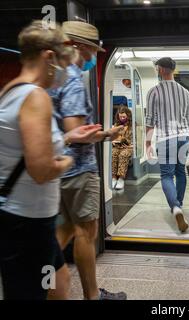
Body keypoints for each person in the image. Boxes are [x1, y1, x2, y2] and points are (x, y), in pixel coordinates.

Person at [0, 21, 102, 300]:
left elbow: (30, 148)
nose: (64, 72)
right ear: (48, 57)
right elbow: (42, 171)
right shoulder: (36, 97)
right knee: (31, 291)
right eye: (62, 62)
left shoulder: (10, 90)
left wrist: (68, 138)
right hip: (27, 220)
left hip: (29, 214)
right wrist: (67, 162)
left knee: (59, 283)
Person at [47, 21, 126, 300]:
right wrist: (108, 134)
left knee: (66, 227)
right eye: (92, 52)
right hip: (78, 169)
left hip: (59, 167)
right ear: (78, 47)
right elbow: (76, 132)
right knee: (86, 231)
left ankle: (43, 280)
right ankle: (93, 296)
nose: (94, 58)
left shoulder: (52, 75)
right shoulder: (71, 79)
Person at [145, 57, 189, 233]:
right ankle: (179, 205)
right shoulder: (186, 92)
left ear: (160, 70)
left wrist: (147, 144)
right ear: (173, 70)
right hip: (184, 138)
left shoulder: (154, 92)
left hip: (165, 139)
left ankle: (175, 207)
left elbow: (150, 121)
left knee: (167, 176)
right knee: (180, 173)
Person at [112, 106, 134, 190]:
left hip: (128, 147)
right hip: (117, 146)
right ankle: (114, 178)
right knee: (113, 153)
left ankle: (121, 179)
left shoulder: (132, 126)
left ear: (128, 116)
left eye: (124, 117)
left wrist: (128, 143)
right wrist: (114, 141)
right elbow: (113, 137)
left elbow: (135, 141)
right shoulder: (116, 125)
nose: (122, 118)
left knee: (123, 154)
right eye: (120, 117)